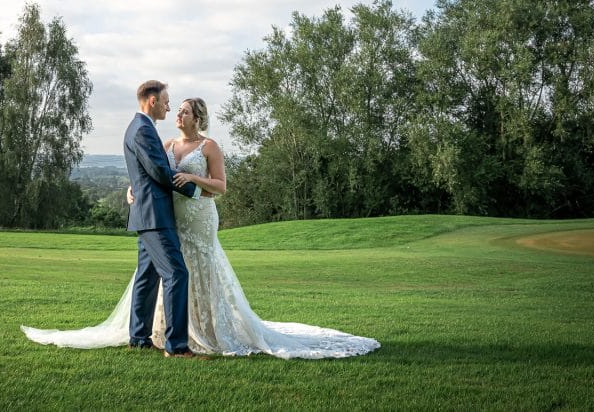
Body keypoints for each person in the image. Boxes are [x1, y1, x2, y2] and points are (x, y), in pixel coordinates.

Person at [22, 94, 380, 359]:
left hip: (200, 217)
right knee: (174, 272)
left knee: (198, 269)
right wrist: (133, 189)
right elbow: (150, 172)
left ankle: (206, 330)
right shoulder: (166, 143)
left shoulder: (209, 147)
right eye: (176, 109)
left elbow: (221, 187)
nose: (177, 113)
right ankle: (163, 332)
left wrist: (194, 178)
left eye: (184, 111)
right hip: (171, 217)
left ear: (197, 118)